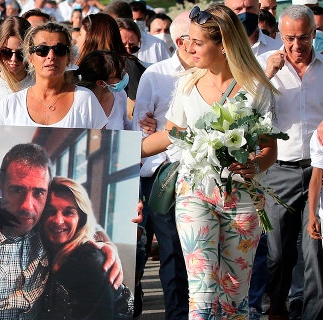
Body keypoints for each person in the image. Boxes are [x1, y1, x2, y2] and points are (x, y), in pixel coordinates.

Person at [141, 4, 279, 318]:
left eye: (196, 42)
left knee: (234, 300)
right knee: (201, 296)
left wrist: (255, 165)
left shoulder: (257, 89)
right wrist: (119, 151)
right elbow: (171, 135)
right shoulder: (186, 84)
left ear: (223, 45)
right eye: (187, 39)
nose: (187, 47)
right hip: (195, 194)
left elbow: (270, 149)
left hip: (242, 199)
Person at [0, 143, 123, 320]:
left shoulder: (44, 225)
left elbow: (81, 222)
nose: (27, 206)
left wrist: (108, 245)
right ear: (0, 186)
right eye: (17, 190)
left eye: (39, 192)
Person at [258, 5, 323, 320]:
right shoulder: (264, 66)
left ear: (314, 34)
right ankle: (278, 305)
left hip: (320, 169)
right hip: (279, 169)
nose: (296, 46)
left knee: (315, 251)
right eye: (289, 39)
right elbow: (245, 110)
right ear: (280, 35)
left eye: (303, 38)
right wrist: (266, 76)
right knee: (279, 253)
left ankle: (310, 312)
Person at [132, 11, 193, 320]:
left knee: (175, 254)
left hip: (187, 173)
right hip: (152, 173)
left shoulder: (207, 72)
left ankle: (177, 314)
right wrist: (152, 130)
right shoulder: (155, 74)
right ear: (182, 42)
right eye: (194, 39)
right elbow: (139, 126)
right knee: (140, 253)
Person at [38, 176, 133, 320]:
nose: (58, 220)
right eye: (50, 211)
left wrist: (107, 247)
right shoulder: (43, 244)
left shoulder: (90, 260)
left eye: (68, 212)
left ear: (81, 218)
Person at [0, 22, 107, 129]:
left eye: (59, 49)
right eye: (42, 50)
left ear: (69, 58)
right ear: (30, 58)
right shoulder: (11, 105)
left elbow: (103, 148)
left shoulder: (85, 99)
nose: (51, 56)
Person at [76, 13, 146, 107]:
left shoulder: (127, 66)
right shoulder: (85, 67)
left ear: (92, 38)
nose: (77, 39)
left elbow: (139, 108)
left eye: (80, 34)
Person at [75, 50, 130, 130]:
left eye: (123, 70)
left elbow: (125, 126)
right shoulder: (79, 103)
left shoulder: (120, 95)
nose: (124, 75)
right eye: (119, 75)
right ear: (101, 83)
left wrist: (142, 124)